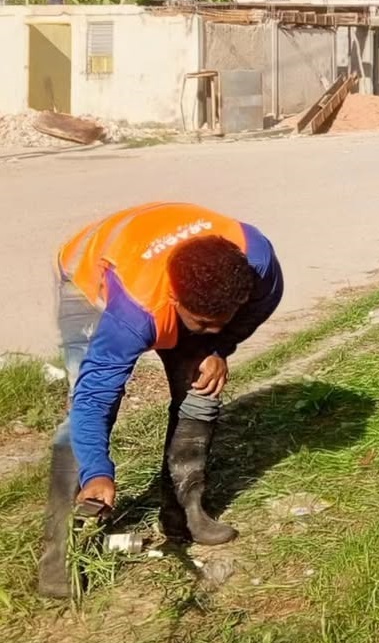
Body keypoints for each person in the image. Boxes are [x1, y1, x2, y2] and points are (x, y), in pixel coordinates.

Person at [38, 203, 284, 598]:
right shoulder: (132, 316)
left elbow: (243, 317)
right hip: (87, 275)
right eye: (202, 323)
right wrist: (98, 471)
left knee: (202, 387)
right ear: (174, 299)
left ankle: (184, 513)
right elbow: (92, 400)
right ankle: (60, 555)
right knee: (86, 407)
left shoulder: (259, 267)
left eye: (220, 321)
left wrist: (216, 348)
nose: (210, 330)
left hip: (173, 277)